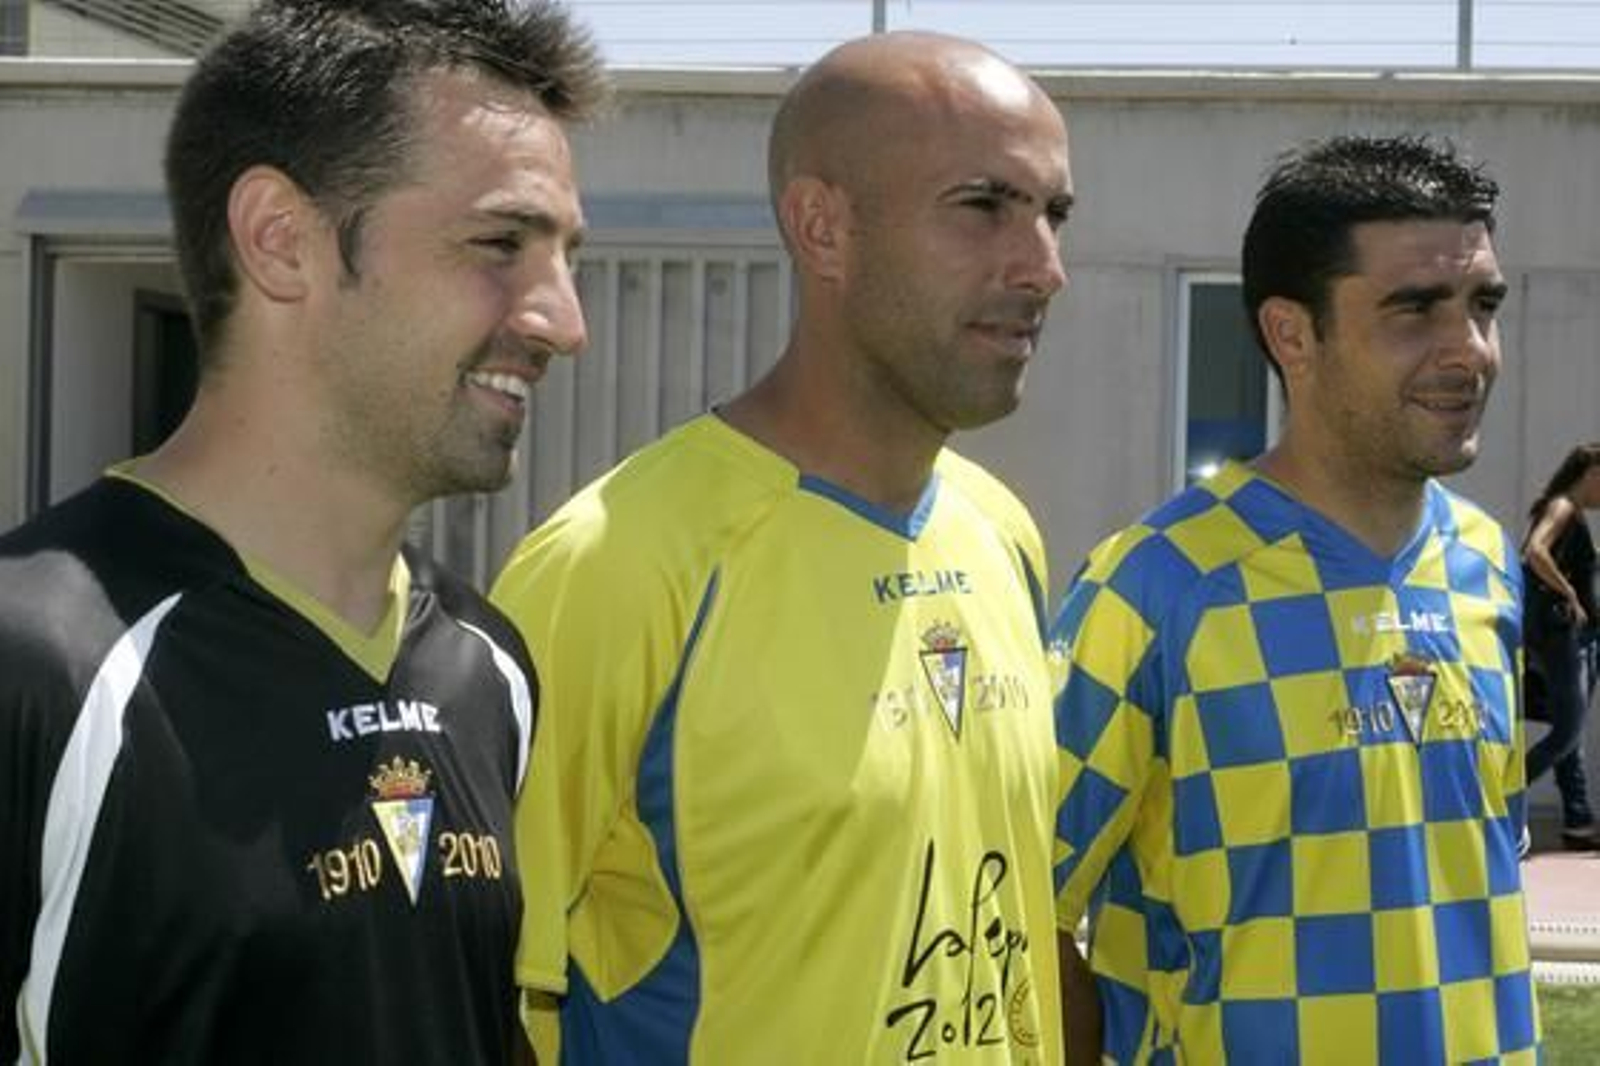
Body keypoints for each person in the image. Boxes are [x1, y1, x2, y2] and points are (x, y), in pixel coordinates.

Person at [0, 1, 606, 1061]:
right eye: (501, 242)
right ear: (281, 241)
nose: (563, 319)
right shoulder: (38, 661)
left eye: (563, 255)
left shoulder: (486, 667)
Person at [492, 30, 1091, 1063]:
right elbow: (489, 991)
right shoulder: (612, 564)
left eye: (1052, 214)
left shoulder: (1000, 532)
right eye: (984, 206)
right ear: (822, 226)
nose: (1043, 267)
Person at [1050, 134, 1540, 1063]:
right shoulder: (1154, 584)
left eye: (1483, 305)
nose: (1468, 349)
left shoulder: (1485, 563)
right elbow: (1022, 905)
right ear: (1290, 333)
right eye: (1414, 309)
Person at [1522, 443, 1600, 846]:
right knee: (1567, 733)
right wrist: (1570, 593)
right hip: (1562, 636)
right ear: (1590, 472)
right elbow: (1535, 552)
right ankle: (1502, 797)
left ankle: (1578, 819)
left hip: (1578, 639)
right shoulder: (1563, 506)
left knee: (1570, 733)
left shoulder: (1571, 513)